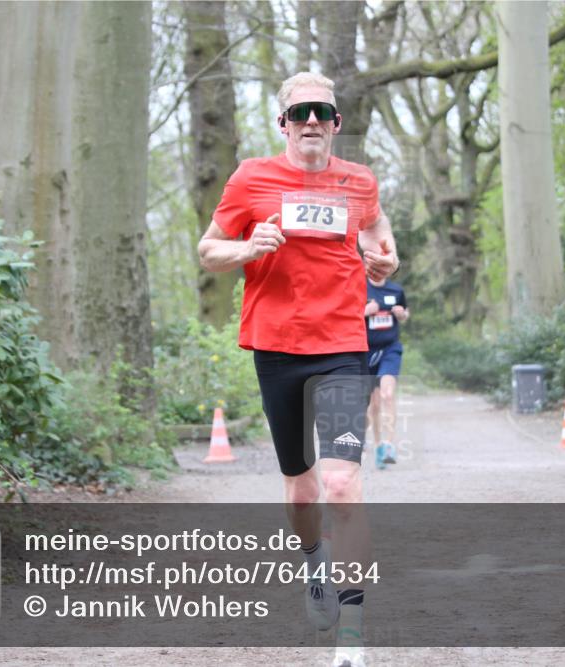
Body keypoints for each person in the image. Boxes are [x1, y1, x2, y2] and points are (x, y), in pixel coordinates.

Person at [197, 72, 398, 667]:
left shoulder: (358, 181)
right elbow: (209, 250)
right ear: (283, 122)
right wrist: (247, 249)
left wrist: (386, 258)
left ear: (337, 123)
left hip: (341, 342)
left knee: (342, 483)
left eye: (323, 113)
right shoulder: (250, 179)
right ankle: (314, 563)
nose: (312, 122)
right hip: (276, 346)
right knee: (302, 488)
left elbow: (379, 232)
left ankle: (353, 631)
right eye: (301, 112)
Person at [364, 277, 409, 469]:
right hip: (366, 350)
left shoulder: (396, 290)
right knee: (373, 404)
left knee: (387, 394)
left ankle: (389, 446)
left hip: (390, 349)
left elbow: (405, 312)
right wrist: (365, 312)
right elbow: (345, 315)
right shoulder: (359, 286)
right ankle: (378, 445)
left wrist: (401, 314)